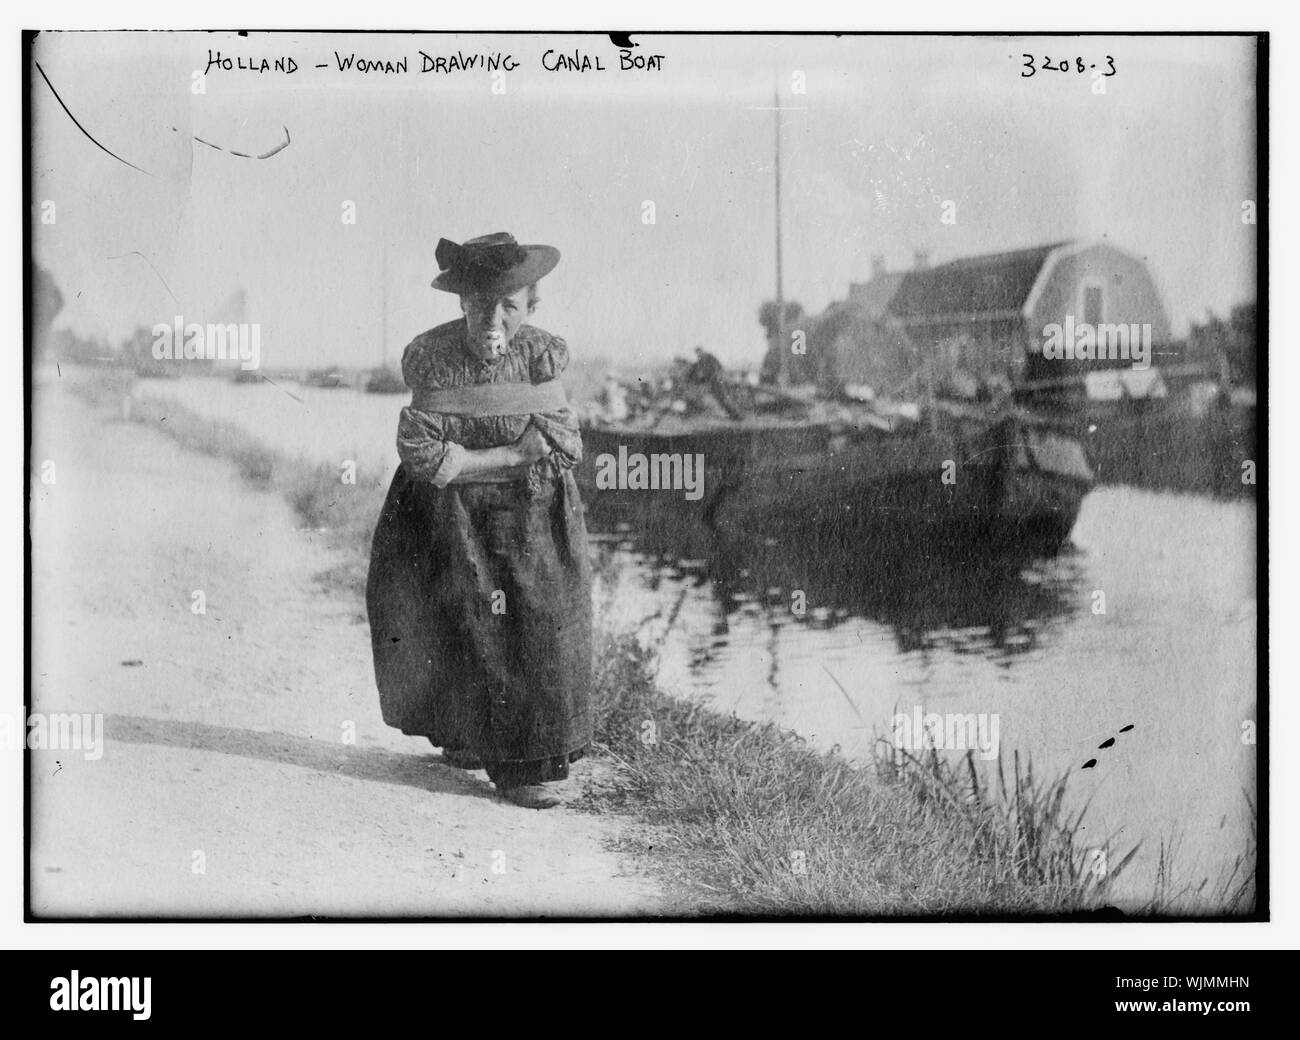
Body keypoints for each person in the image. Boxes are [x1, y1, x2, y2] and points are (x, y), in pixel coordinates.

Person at [365, 232, 592, 810]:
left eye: (510, 305)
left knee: (534, 622)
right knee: (456, 614)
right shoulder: (432, 355)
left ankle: (526, 765)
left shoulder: (542, 354)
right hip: (445, 515)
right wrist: (510, 455)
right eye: (481, 303)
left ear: (530, 306)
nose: (494, 318)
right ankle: (466, 735)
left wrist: (473, 460)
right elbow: (421, 450)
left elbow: (561, 443)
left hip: (530, 513)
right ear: (461, 302)